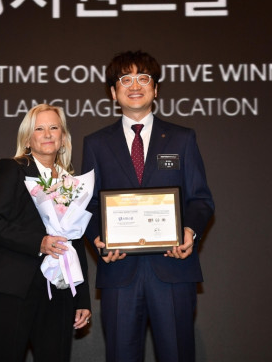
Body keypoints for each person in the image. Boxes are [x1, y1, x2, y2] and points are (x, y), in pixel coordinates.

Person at [81, 51, 214, 362]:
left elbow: (201, 199)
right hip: (119, 272)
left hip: (173, 269)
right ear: (113, 92)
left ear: (155, 88)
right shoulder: (96, 143)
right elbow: (87, 203)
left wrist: (189, 231)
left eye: (143, 78)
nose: (135, 85)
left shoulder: (182, 138)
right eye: (125, 79)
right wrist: (99, 238)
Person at [0, 103, 91, 362]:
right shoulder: (11, 169)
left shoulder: (71, 183)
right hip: (13, 286)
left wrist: (81, 298)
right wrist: (40, 242)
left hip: (59, 290)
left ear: (63, 137)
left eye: (54, 128)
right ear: (27, 139)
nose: (47, 134)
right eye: (39, 129)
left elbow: (74, 239)